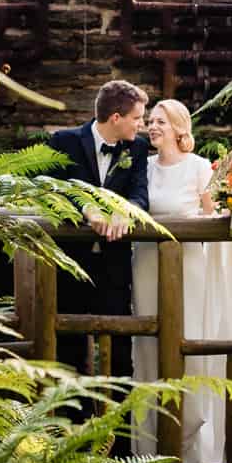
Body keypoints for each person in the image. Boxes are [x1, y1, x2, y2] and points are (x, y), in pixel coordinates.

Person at [130, 99, 232, 463]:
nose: (153, 127)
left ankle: (195, 447)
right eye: (150, 121)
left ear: (180, 127)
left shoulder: (199, 169)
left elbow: (216, 219)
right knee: (148, 347)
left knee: (191, 344)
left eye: (160, 121)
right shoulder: (141, 168)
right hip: (146, 266)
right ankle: (150, 447)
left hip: (190, 268)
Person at [45, 79, 151, 376]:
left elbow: (141, 195)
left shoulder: (137, 148)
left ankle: (119, 422)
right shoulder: (63, 141)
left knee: (120, 346)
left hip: (114, 263)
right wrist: (85, 209)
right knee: (69, 348)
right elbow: (51, 191)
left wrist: (124, 212)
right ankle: (73, 421)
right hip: (70, 262)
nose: (141, 125)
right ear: (116, 118)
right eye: (137, 118)